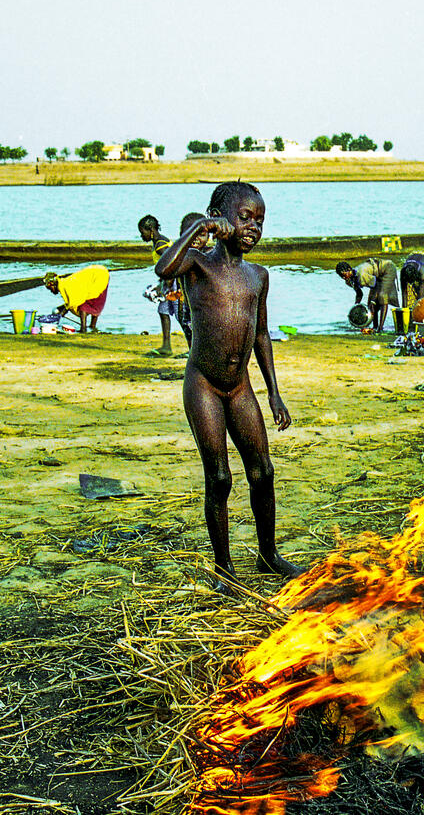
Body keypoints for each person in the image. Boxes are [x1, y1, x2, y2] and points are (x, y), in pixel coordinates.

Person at [154, 180, 300, 590]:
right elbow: (163, 268)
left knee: (263, 472)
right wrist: (199, 226)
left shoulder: (258, 276)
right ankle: (224, 568)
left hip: (240, 388)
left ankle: (268, 555)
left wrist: (274, 392)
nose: (253, 227)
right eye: (243, 218)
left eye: (260, 220)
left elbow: (262, 336)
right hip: (204, 385)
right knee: (219, 478)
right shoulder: (197, 265)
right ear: (221, 219)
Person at [139, 215, 186, 357]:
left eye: (143, 232)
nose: (142, 236)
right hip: (168, 282)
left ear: (151, 229)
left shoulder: (160, 245)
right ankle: (166, 346)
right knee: (163, 311)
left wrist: (166, 284)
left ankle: (193, 347)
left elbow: (172, 263)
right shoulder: (160, 242)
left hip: (175, 282)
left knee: (182, 314)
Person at [335, 257, 399, 333]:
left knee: (382, 297)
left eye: (344, 275)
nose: (343, 277)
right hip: (376, 278)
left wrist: (373, 301)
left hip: (387, 269)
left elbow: (377, 285)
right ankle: (375, 327)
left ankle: (380, 328)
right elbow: (359, 294)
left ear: (349, 270)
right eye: (341, 276)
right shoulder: (349, 281)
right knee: (370, 305)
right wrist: (356, 307)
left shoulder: (361, 275)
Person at [43, 265, 109, 332]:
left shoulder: (66, 285)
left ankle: (83, 329)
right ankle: (92, 327)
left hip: (99, 275)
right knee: (93, 301)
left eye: (50, 288)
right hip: (100, 273)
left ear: (53, 284)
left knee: (85, 305)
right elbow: (72, 300)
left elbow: (74, 301)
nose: (51, 291)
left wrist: (63, 311)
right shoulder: (63, 284)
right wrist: (63, 309)